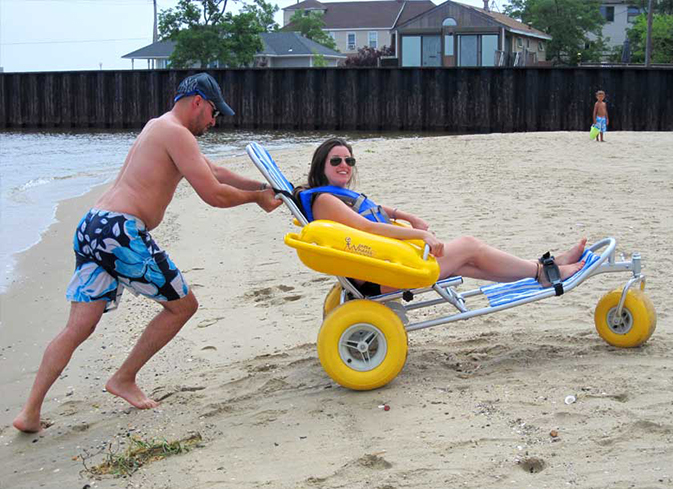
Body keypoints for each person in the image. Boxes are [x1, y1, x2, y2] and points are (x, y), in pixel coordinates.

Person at [13, 73, 282, 433]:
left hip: (94, 226)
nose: (215, 121)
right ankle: (124, 378)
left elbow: (212, 171)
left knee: (77, 327)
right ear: (198, 101)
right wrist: (255, 199)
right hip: (120, 231)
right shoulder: (177, 132)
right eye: (215, 112)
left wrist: (263, 186)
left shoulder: (160, 127)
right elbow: (213, 194)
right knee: (183, 305)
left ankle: (29, 413)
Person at [297, 138, 586, 294]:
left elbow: (375, 212)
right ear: (321, 166)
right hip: (378, 279)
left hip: (382, 269)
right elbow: (369, 229)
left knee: (468, 263)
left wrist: (405, 215)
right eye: (336, 160)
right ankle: (544, 271)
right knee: (469, 246)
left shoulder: (337, 196)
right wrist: (421, 234)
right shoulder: (324, 200)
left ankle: (544, 268)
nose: (344, 165)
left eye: (349, 160)